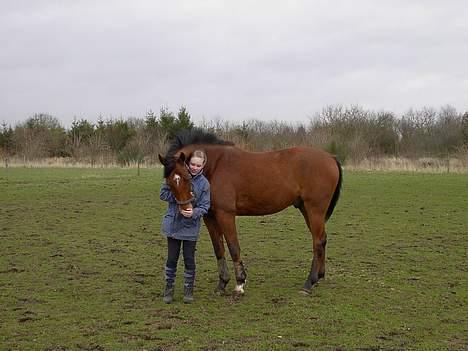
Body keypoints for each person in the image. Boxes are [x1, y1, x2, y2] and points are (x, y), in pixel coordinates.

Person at [160, 150, 210, 304]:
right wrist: (179, 196)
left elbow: (205, 206)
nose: (194, 167)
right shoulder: (175, 175)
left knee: (189, 259)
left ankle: (188, 289)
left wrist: (193, 212)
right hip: (173, 225)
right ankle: (169, 289)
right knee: (172, 259)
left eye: (198, 165)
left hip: (190, 227)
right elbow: (163, 194)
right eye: (192, 164)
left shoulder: (204, 184)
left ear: (202, 166)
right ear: (188, 163)